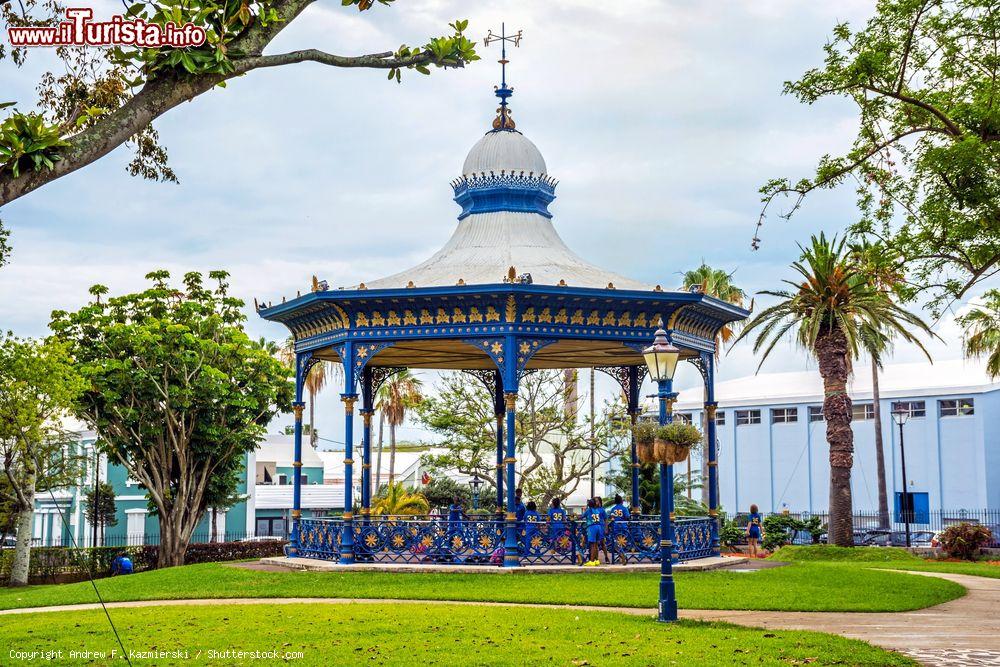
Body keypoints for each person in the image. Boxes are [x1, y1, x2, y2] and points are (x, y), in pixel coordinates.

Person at [607, 494, 631, 565]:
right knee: (624, 542)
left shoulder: (613, 509)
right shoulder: (624, 508)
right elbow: (627, 517)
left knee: (616, 542)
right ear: (621, 501)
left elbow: (611, 517)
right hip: (623, 527)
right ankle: (623, 555)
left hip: (615, 527)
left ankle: (620, 555)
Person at [581, 499, 602, 566]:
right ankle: (596, 560)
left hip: (592, 527)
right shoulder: (597, 510)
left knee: (592, 544)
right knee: (596, 545)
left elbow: (582, 516)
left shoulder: (588, 510)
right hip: (598, 526)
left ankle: (592, 561)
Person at [594, 495, 610, 564]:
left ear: (599, 502)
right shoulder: (592, 509)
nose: (595, 502)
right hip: (594, 528)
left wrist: (606, 528)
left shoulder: (602, 510)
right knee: (595, 544)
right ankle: (596, 559)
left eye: (596, 501)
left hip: (601, 527)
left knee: (603, 543)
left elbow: (606, 519)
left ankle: (606, 557)